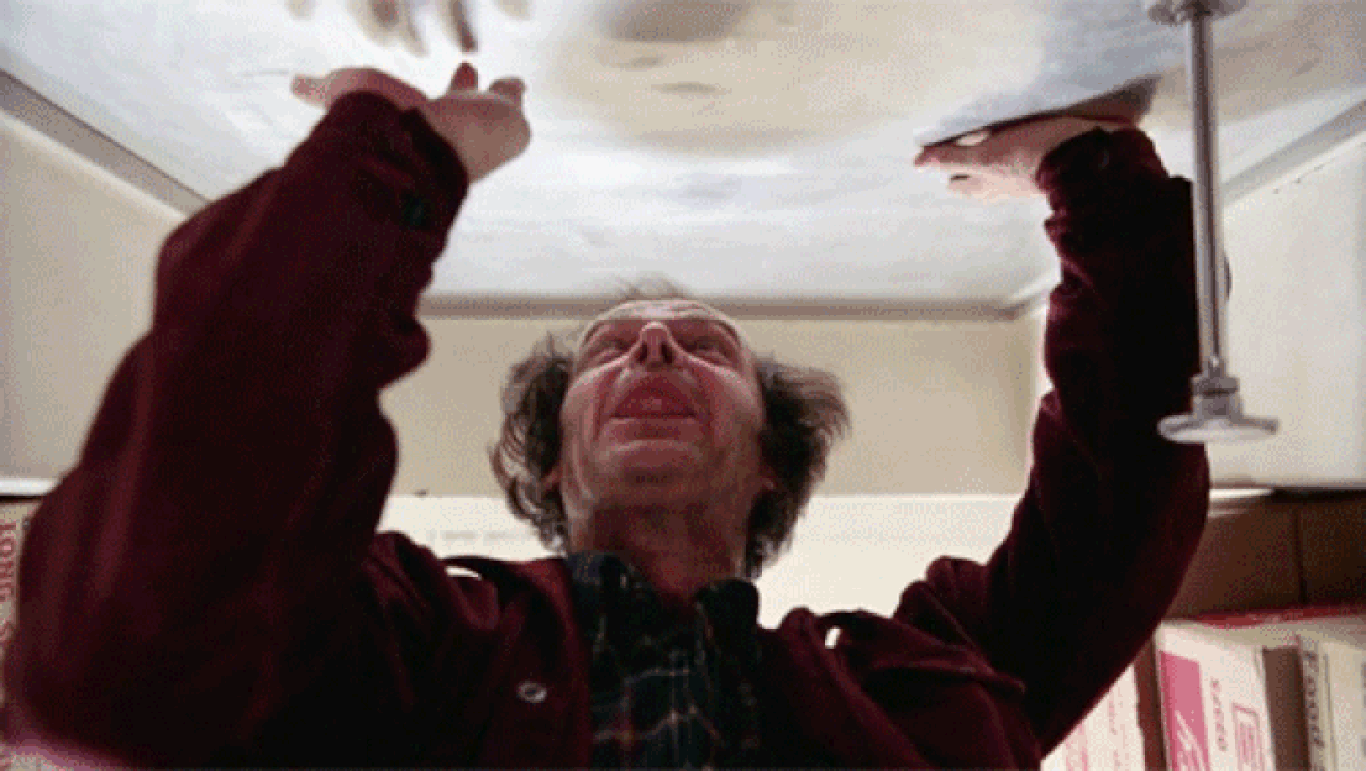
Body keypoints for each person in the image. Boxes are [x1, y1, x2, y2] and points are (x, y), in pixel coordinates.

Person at [3, 62, 1209, 768]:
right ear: (554, 461)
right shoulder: (401, 641)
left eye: (705, 346)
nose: (654, 346)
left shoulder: (908, 684)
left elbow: (1116, 512)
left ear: (771, 465)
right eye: (610, 351)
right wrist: (391, 172)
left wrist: (1090, 182)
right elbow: (120, 666)